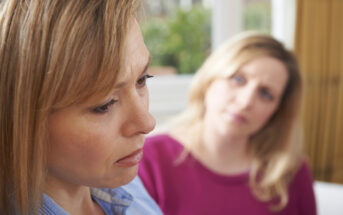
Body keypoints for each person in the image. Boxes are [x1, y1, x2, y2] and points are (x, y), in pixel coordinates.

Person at [0, 0, 163, 214]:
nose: (147, 123)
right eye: (105, 105)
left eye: (142, 80)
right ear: (22, 116)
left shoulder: (127, 188)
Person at [138, 32, 317, 215]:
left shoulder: (290, 170)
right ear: (209, 80)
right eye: (238, 79)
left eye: (265, 94)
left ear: (277, 112)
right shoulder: (146, 160)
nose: (246, 101)